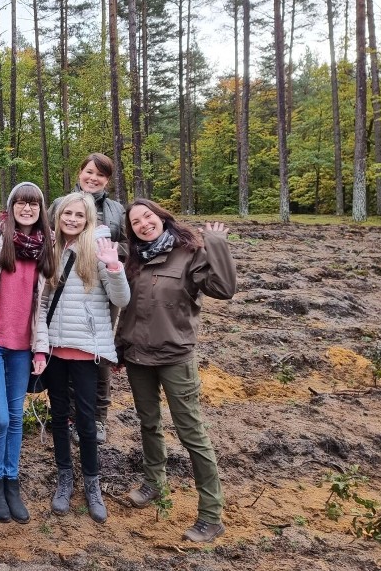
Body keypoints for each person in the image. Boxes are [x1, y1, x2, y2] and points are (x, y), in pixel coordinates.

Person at [115, 198, 236, 543]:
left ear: (161, 218)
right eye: (136, 222)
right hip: (138, 357)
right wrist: (120, 348)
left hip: (175, 358)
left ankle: (211, 516)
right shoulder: (134, 258)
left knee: (191, 434)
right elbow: (128, 309)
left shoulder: (189, 253)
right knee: (148, 423)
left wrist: (217, 246)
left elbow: (224, 290)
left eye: (147, 217)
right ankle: (154, 482)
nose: (143, 224)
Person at [32, 192, 130, 524]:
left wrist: (115, 268)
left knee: (87, 421)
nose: (72, 219)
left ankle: (92, 483)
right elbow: (42, 305)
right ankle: (64, 479)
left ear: (89, 218)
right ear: (57, 217)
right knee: (59, 416)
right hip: (56, 350)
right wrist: (42, 346)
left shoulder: (97, 252)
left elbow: (121, 298)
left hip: (87, 353)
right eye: (66, 214)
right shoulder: (51, 251)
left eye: (79, 215)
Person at [0, 182, 56, 523]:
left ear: (40, 209)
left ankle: (10, 482)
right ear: (12, 205)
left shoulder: (47, 246)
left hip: (23, 347)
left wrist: (39, 349)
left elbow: (42, 307)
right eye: (21, 203)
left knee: (16, 418)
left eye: (33, 204)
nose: (27, 209)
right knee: (0, 418)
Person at [49, 153, 126, 443]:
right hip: (65, 286)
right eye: (89, 172)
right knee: (65, 348)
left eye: (100, 175)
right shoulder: (60, 203)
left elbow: (128, 248)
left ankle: (98, 417)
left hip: (102, 290)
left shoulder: (117, 210)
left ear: (107, 180)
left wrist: (111, 256)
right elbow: (47, 240)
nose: (93, 178)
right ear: (79, 172)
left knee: (98, 353)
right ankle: (69, 414)